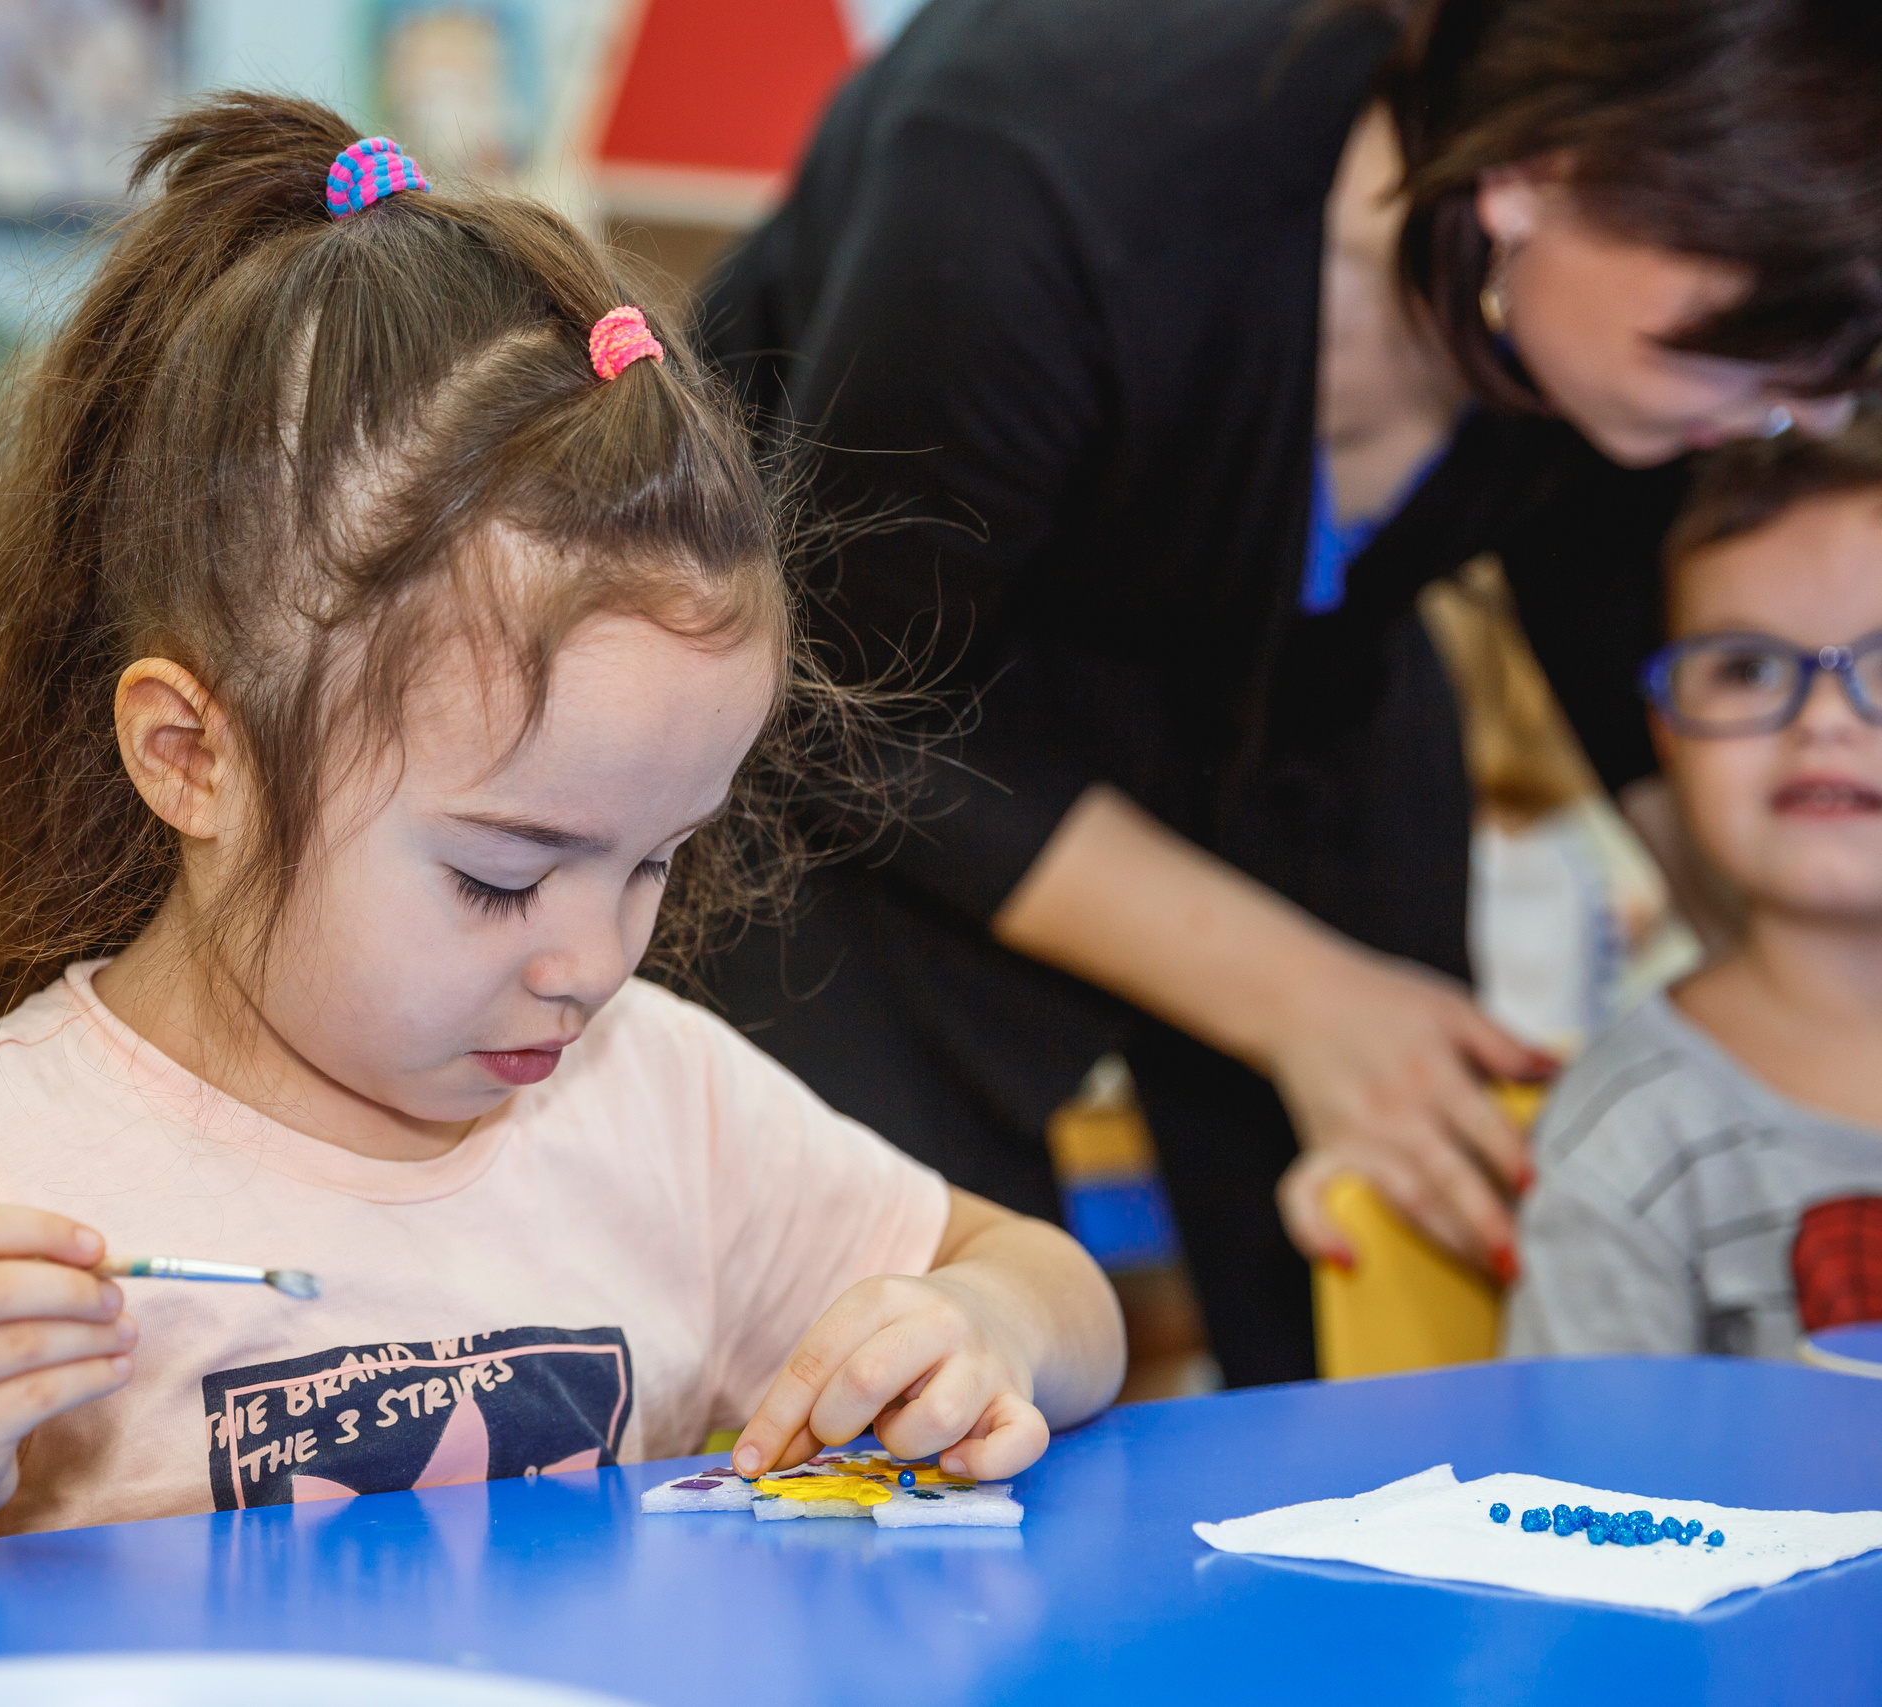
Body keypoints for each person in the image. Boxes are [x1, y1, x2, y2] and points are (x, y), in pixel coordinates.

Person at [0, 96, 1125, 1564]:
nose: (592, 958)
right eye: (499, 875)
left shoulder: (663, 1100)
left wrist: (988, 1320)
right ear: (195, 759)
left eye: (652, 859)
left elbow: (1053, 1284)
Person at [700, 0, 1882, 1383]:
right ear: (1537, 170)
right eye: (1745, 347)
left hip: (1301, 704)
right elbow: (850, 695)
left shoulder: (1632, 358)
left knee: (1403, 1273)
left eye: (1826, 374)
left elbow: (1657, 727)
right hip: (853, 722)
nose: (1777, 418)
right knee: (906, 1340)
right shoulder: (1042, 171)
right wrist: (1307, 1001)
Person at [1505, 421, 1882, 1357]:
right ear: (1667, 737)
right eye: (1748, 669)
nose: (1824, 721)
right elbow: (1592, 1487)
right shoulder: (1628, 1137)